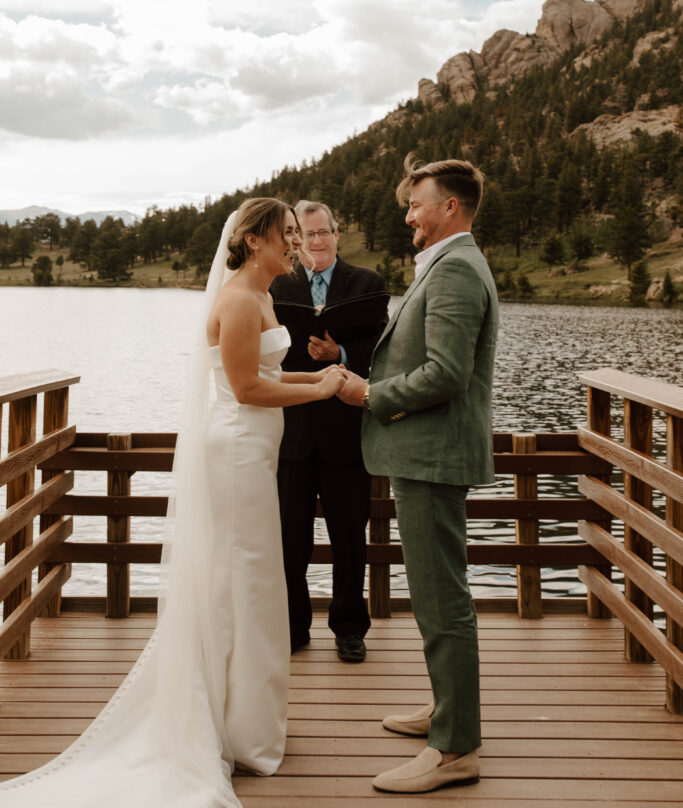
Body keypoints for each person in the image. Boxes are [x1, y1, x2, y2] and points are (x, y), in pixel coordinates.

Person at [0, 197, 344, 808]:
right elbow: (242, 388)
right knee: (243, 578)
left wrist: (319, 380)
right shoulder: (238, 299)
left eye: (298, 233)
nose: (296, 243)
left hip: (255, 451)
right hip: (236, 452)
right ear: (254, 240)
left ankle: (246, 722)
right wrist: (316, 393)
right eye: (286, 234)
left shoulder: (264, 297)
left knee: (254, 580)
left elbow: (267, 373)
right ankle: (222, 723)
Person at [338, 156, 498, 794]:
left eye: (417, 203)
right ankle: (445, 711)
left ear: (450, 208)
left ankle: (456, 749)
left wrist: (367, 396)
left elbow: (446, 374)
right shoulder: (450, 261)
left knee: (442, 600)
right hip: (426, 453)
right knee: (439, 595)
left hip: (433, 456)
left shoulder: (456, 267)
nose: (408, 214)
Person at [270, 200, 388, 663]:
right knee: (289, 538)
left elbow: (380, 349)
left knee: (349, 538)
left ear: (337, 234)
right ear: (295, 238)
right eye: (306, 234)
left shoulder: (367, 284)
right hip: (292, 434)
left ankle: (349, 629)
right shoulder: (278, 283)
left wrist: (339, 354)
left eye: (323, 233)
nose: (315, 242)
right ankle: (293, 626)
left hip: (346, 433)